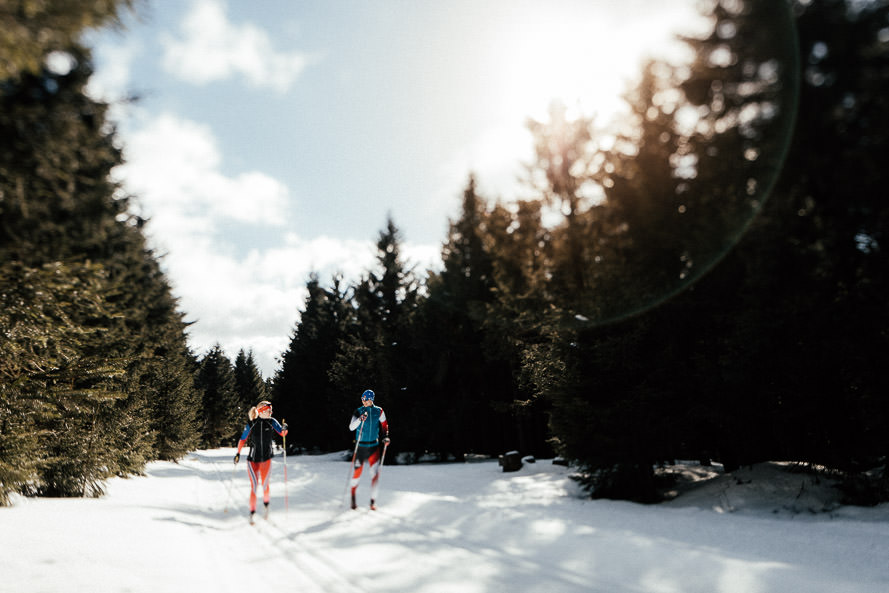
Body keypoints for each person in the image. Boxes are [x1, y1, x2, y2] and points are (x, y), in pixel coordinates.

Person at [233, 400, 287, 521]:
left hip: (266, 460)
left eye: (271, 410)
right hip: (252, 461)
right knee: (254, 486)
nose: (271, 412)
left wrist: (285, 428)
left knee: (265, 485)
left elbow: (283, 433)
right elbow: (242, 439)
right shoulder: (251, 423)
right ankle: (252, 512)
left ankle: (266, 506)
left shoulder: (272, 421)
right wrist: (238, 453)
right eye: (269, 410)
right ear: (262, 411)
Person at [348, 389, 390, 510]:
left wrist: (386, 436)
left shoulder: (379, 411)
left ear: (371, 399)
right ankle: (353, 498)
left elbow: (384, 425)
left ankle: (372, 501)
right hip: (361, 447)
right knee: (357, 474)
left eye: (365, 399)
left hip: (373, 447)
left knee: (375, 474)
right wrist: (360, 419)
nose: (363, 401)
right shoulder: (359, 411)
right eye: (362, 399)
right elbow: (351, 427)